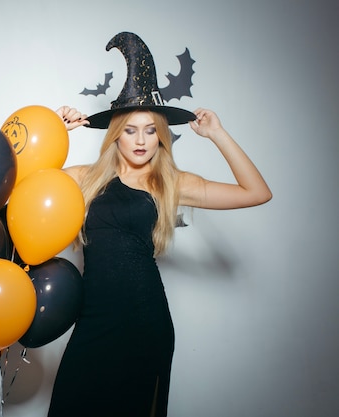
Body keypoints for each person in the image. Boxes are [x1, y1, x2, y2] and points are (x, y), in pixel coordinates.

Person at [48, 32, 272, 416]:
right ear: (115, 135)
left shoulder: (169, 183)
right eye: (131, 130)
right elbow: (20, 192)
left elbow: (256, 192)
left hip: (143, 322)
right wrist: (54, 131)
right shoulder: (84, 178)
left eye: (151, 130)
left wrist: (217, 134)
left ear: (161, 135)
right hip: (93, 321)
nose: (141, 141)